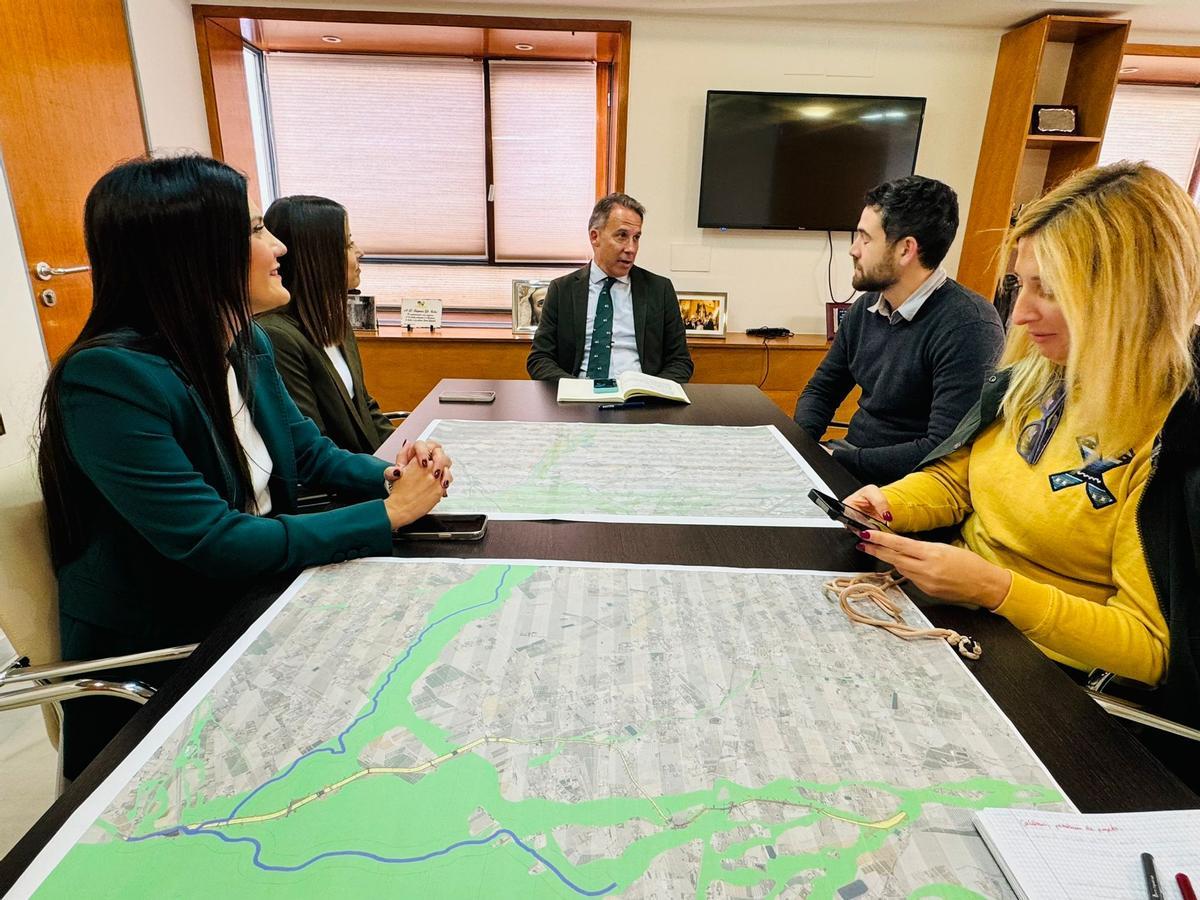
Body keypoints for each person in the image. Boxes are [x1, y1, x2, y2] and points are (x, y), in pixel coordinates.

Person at [37, 155, 452, 779]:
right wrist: (389, 514)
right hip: (174, 657)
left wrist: (393, 475)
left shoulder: (243, 340)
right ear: (192, 251)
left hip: (260, 601)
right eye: (256, 230)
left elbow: (308, 452)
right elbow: (213, 540)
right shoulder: (106, 382)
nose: (279, 245)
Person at [843, 162, 1200, 786]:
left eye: (1050, 290)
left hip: (1053, 684)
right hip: (956, 618)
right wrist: (892, 503)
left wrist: (996, 589)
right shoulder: (1033, 376)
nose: (1020, 313)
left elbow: (1150, 649)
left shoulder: (1174, 436)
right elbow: (958, 480)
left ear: (1132, 293)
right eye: (1020, 285)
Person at [793, 176, 1004, 484]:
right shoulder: (866, 308)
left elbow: (942, 451)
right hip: (851, 462)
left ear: (906, 250)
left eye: (865, 239)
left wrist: (836, 460)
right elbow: (821, 391)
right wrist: (802, 446)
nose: (854, 250)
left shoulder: (969, 326)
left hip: (906, 487)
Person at [257, 195, 395, 454]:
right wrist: (388, 475)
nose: (359, 252)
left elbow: (364, 406)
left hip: (372, 469)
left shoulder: (335, 321)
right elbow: (313, 447)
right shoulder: (277, 336)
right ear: (319, 257)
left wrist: (410, 449)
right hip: (342, 485)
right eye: (348, 243)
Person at [526, 193, 694, 383]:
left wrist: (652, 391)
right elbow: (539, 359)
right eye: (622, 236)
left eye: (636, 237)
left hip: (641, 401)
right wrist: (575, 389)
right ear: (595, 236)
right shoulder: (562, 289)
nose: (631, 248)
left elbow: (680, 362)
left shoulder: (659, 289)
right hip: (578, 401)